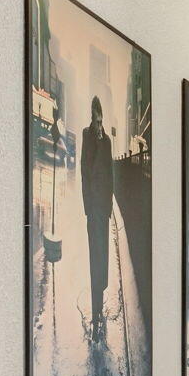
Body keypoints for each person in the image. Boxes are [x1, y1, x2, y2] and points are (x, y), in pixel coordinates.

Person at [80, 95, 115, 335]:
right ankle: (95, 312)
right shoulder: (86, 135)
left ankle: (100, 306)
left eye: (100, 118)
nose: (98, 123)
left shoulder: (108, 142)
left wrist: (110, 206)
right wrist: (88, 207)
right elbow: (84, 169)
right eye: (95, 118)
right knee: (95, 258)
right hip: (93, 210)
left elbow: (111, 173)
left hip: (103, 208)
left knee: (103, 260)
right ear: (92, 117)